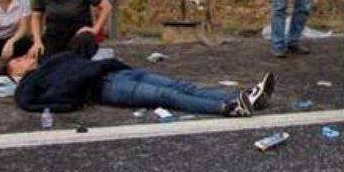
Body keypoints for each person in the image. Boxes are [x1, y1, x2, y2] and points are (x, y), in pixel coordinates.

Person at [16, 33, 274, 117]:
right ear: (13, 72)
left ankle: (244, 97)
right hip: (104, 88)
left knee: (180, 85)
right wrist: (69, 103)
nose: (25, 60)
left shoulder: (53, 60)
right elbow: (29, 103)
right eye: (18, 61)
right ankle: (226, 107)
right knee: (167, 95)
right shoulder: (28, 83)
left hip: (118, 71)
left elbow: (83, 50)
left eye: (25, 55)